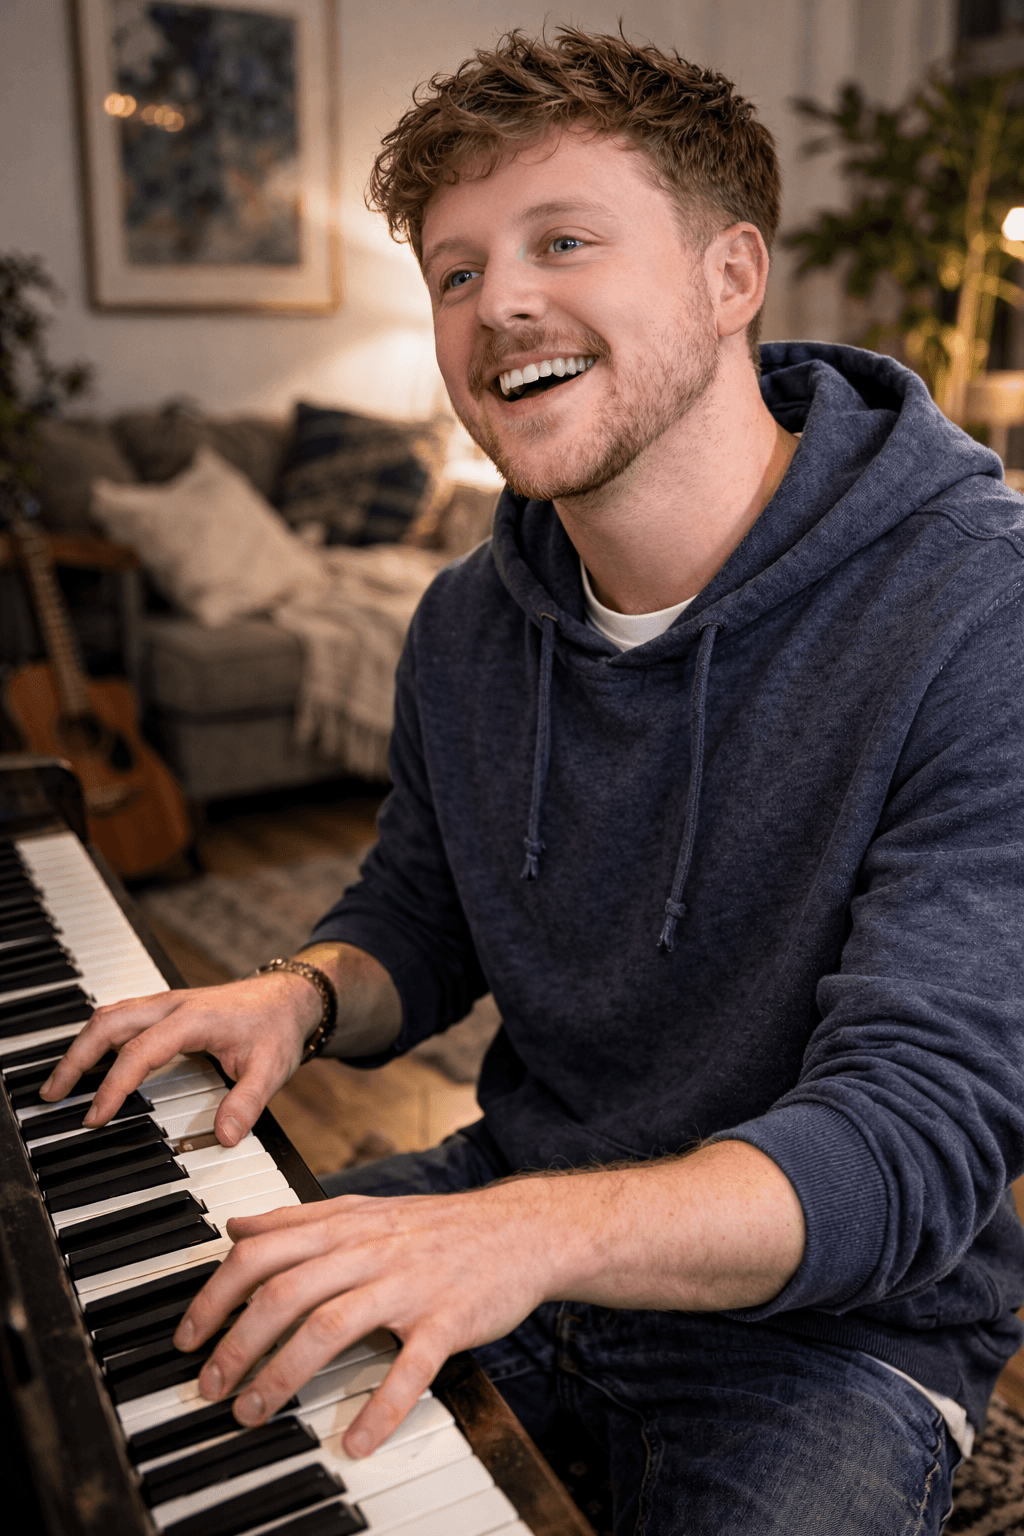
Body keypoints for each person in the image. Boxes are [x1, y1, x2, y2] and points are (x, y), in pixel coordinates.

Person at [41, 28, 1024, 1535]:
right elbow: (423, 913)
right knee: (132, 1386)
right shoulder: (465, 622)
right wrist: (297, 995)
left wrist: (515, 1239)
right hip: (516, 1197)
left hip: (829, 1329)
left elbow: (911, 1143)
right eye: (453, 270)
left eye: (563, 239)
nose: (497, 300)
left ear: (729, 276)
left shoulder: (978, 613)